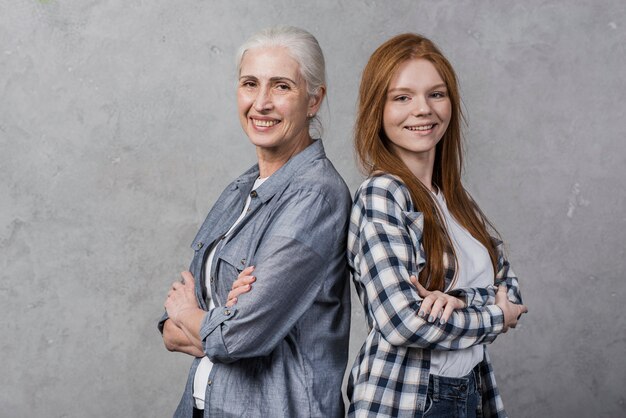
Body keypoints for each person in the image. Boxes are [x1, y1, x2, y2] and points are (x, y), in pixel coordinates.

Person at [159, 25, 351, 418]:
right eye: (250, 83)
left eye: (281, 87)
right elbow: (170, 330)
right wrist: (214, 318)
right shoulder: (242, 188)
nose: (261, 102)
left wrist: (192, 315)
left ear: (314, 100)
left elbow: (236, 336)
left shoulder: (316, 196)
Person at [346, 33, 528, 418]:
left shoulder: (456, 201)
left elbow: (510, 290)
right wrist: (493, 315)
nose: (423, 110)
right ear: (377, 110)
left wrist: (460, 301)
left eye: (436, 94)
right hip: (408, 399)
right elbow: (403, 322)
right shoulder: (382, 194)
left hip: (470, 394)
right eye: (402, 97)